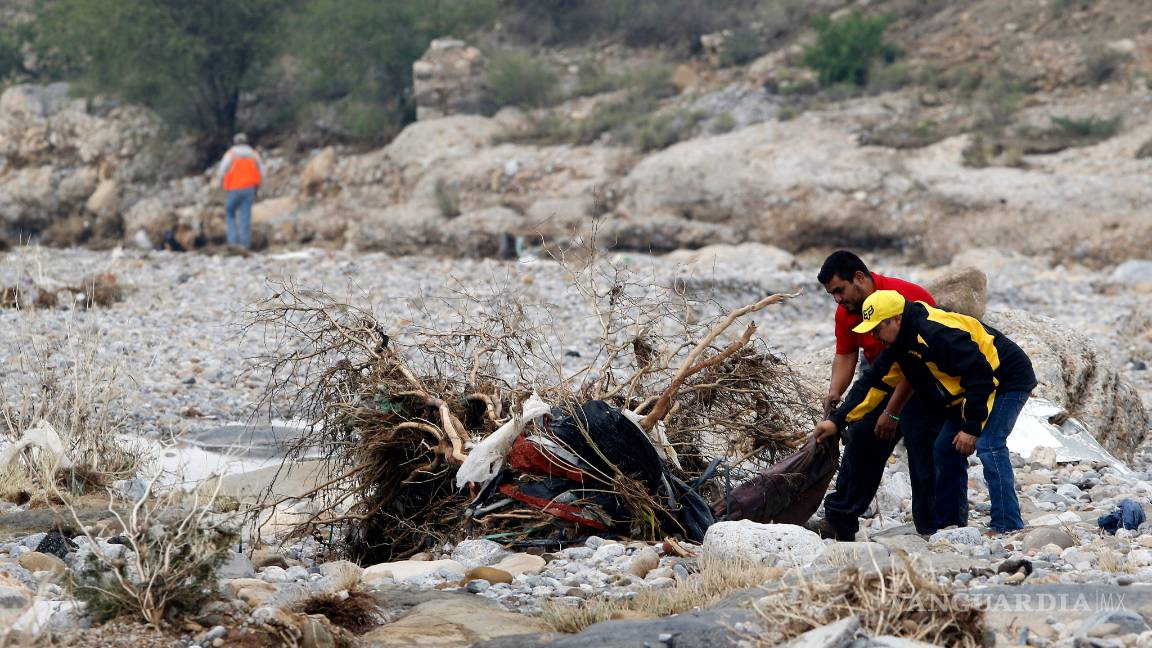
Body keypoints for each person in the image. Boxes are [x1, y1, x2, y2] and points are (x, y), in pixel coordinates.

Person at [817, 290, 1037, 533]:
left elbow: (981, 375)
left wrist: (971, 428)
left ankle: (1007, 524)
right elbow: (873, 382)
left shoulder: (937, 333)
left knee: (989, 444)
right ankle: (949, 528)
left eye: (877, 328)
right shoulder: (899, 343)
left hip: (1007, 378)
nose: (873, 335)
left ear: (896, 319)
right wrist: (837, 421)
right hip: (970, 387)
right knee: (945, 448)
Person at [810, 250, 944, 540]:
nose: (837, 299)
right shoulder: (846, 312)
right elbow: (846, 355)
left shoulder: (907, 297)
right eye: (831, 294)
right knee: (861, 437)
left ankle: (934, 528)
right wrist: (835, 392)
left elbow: (917, 365)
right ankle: (840, 521)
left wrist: (892, 413)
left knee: (922, 445)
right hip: (882, 378)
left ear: (859, 277)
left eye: (839, 290)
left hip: (923, 378)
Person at [215, 133, 264, 249]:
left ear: (235, 142)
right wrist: (260, 186)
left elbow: (221, 171)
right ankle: (245, 245)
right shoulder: (254, 155)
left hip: (234, 188)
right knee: (245, 216)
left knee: (230, 213)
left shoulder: (231, 154)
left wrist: (220, 183)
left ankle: (233, 243)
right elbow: (262, 171)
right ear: (246, 142)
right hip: (249, 189)